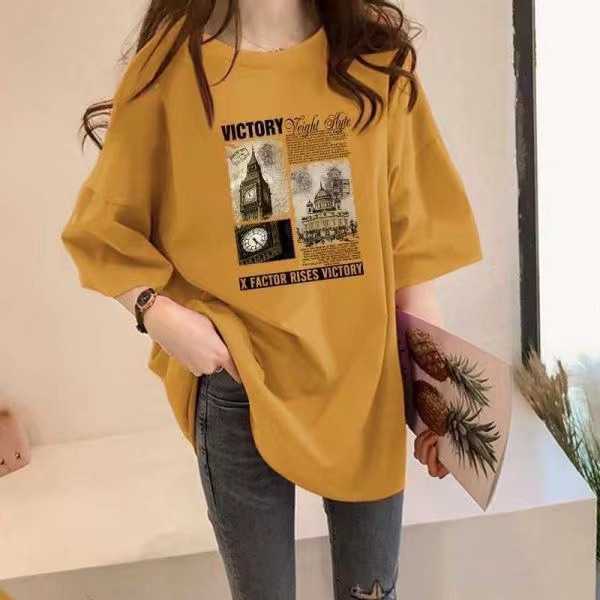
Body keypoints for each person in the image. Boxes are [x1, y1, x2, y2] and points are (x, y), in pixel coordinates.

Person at [60, 1, 483, 598]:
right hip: (239, 382)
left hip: (365, 380)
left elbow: (411, 241)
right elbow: (104, 227)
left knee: (372, 592)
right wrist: (158, 313)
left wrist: (433, 394)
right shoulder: (172, 69)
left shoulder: (376, 59)